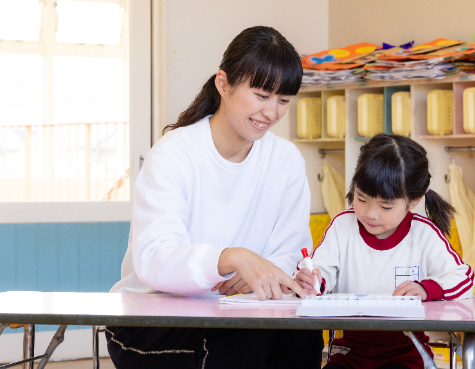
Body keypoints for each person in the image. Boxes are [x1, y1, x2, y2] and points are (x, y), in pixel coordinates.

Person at [105, 26, 323, 369]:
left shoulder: (286, 160)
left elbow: (289, 252)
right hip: (151, 321)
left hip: (241, 311)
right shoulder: (173, 155)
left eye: (283, 100)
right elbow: (155, 259)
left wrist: (261, 271)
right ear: (223, 84)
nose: (272, 112)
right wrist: (232, 258)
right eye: (261, 95)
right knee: (242, 343)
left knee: (301, 336)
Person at [295, 134, 474, 369]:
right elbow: (321, 272)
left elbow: (464, 278)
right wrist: (312, 281)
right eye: (361, 199)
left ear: (413, 201)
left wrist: (426, 288)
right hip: (350, 352)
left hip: (405, 353)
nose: (371, 214)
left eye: (385, 206)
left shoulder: (423, 234)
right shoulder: (342, 226)